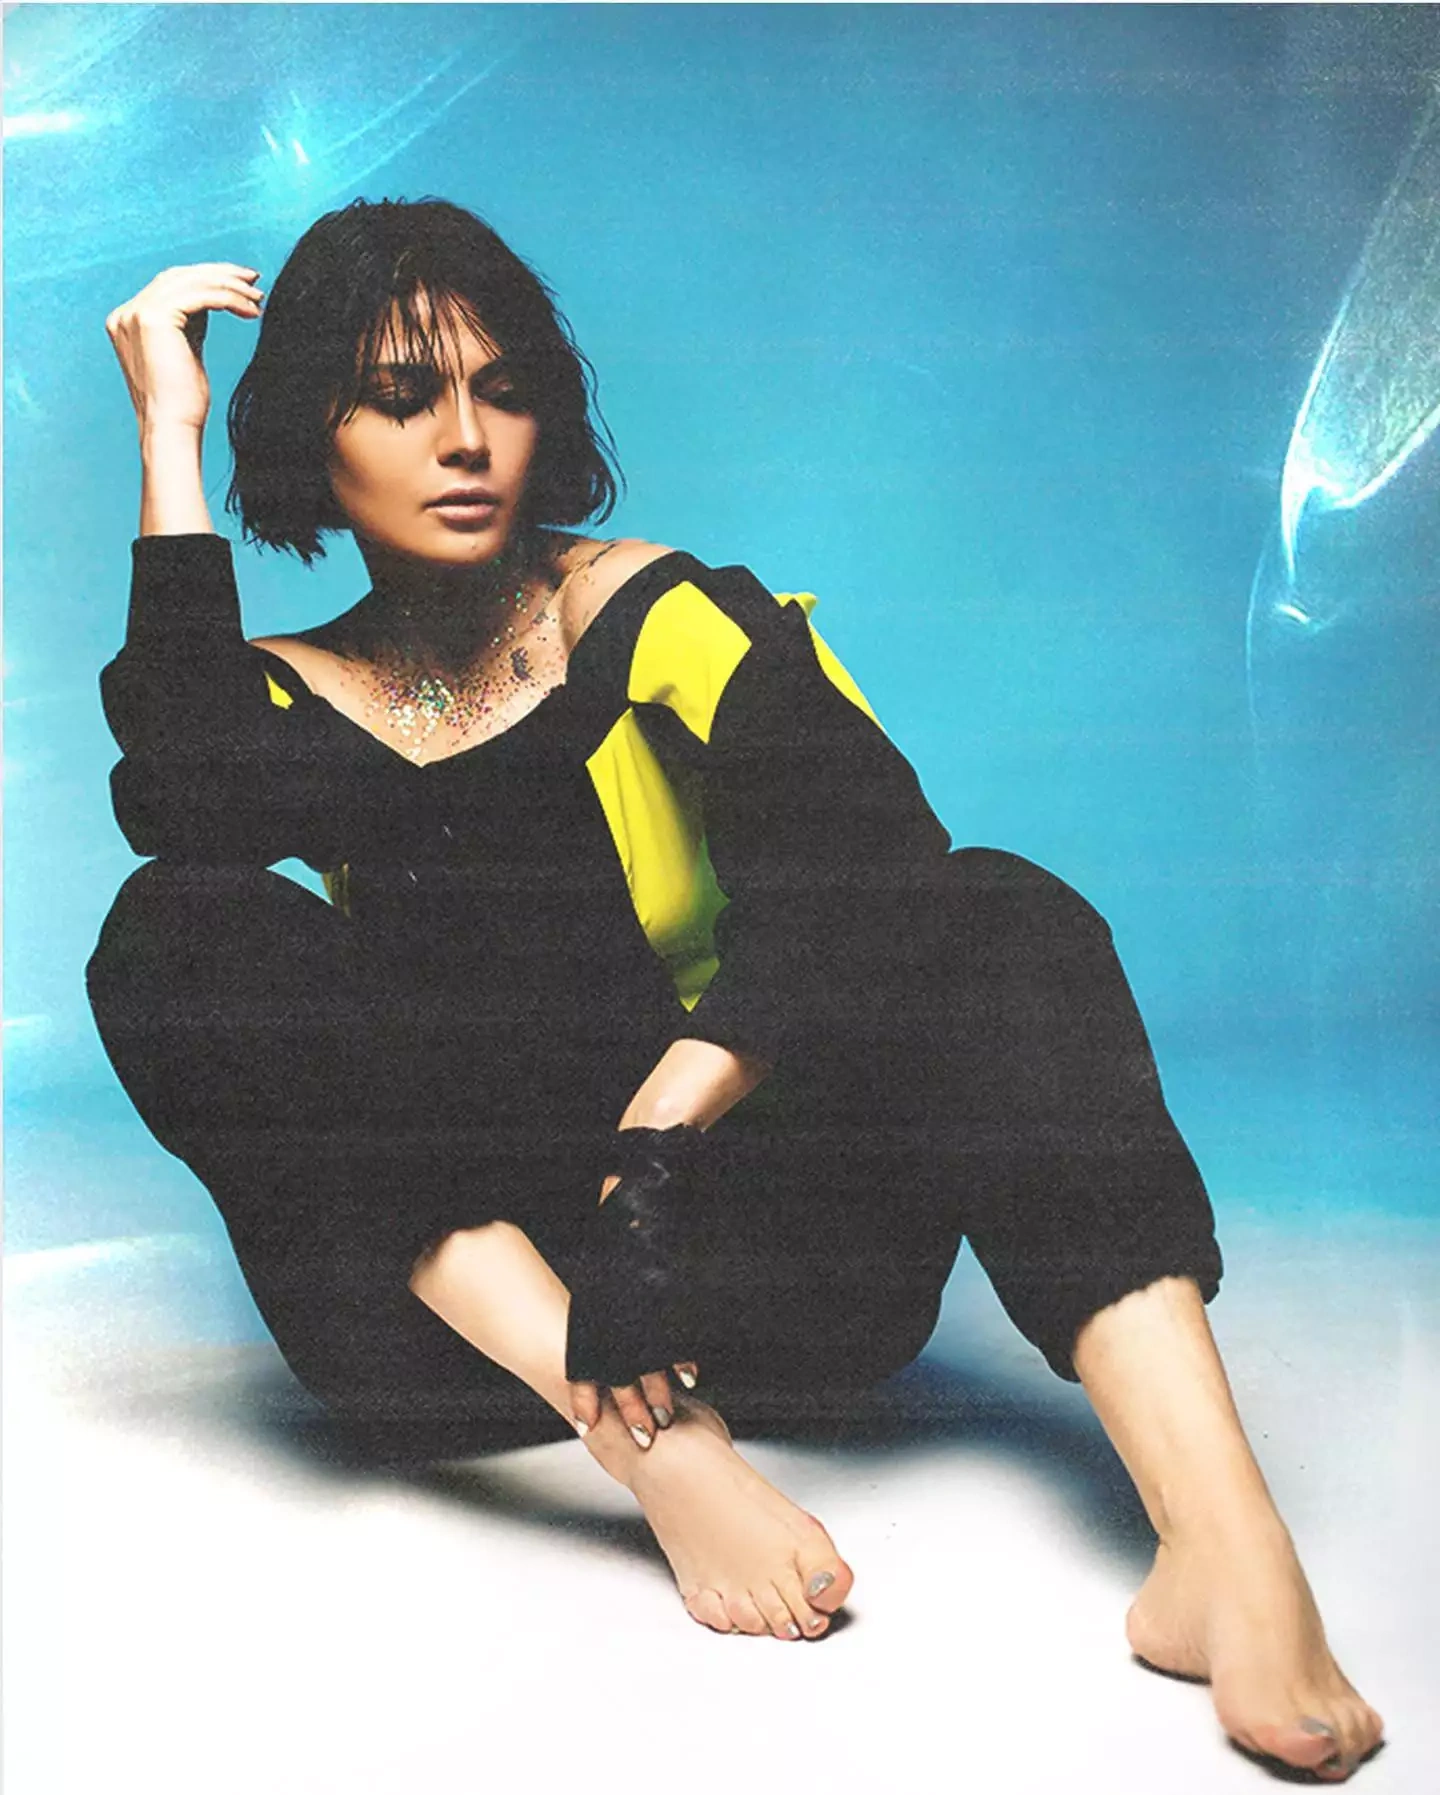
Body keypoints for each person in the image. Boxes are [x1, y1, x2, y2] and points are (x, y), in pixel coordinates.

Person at [87, 197, 1381, 1778]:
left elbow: (867, 847)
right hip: (454, 1344)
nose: (467, 439)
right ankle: (653, 1447)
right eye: (401, 399)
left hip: (755, 1267)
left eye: (504, 390)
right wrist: (167, 426)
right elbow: (185, 793)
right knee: (178, 925)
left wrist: (659, 1132)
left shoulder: (643, 609)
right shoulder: (295, 692)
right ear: (314, 432)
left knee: (989, 908)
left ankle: (1223, 1543)